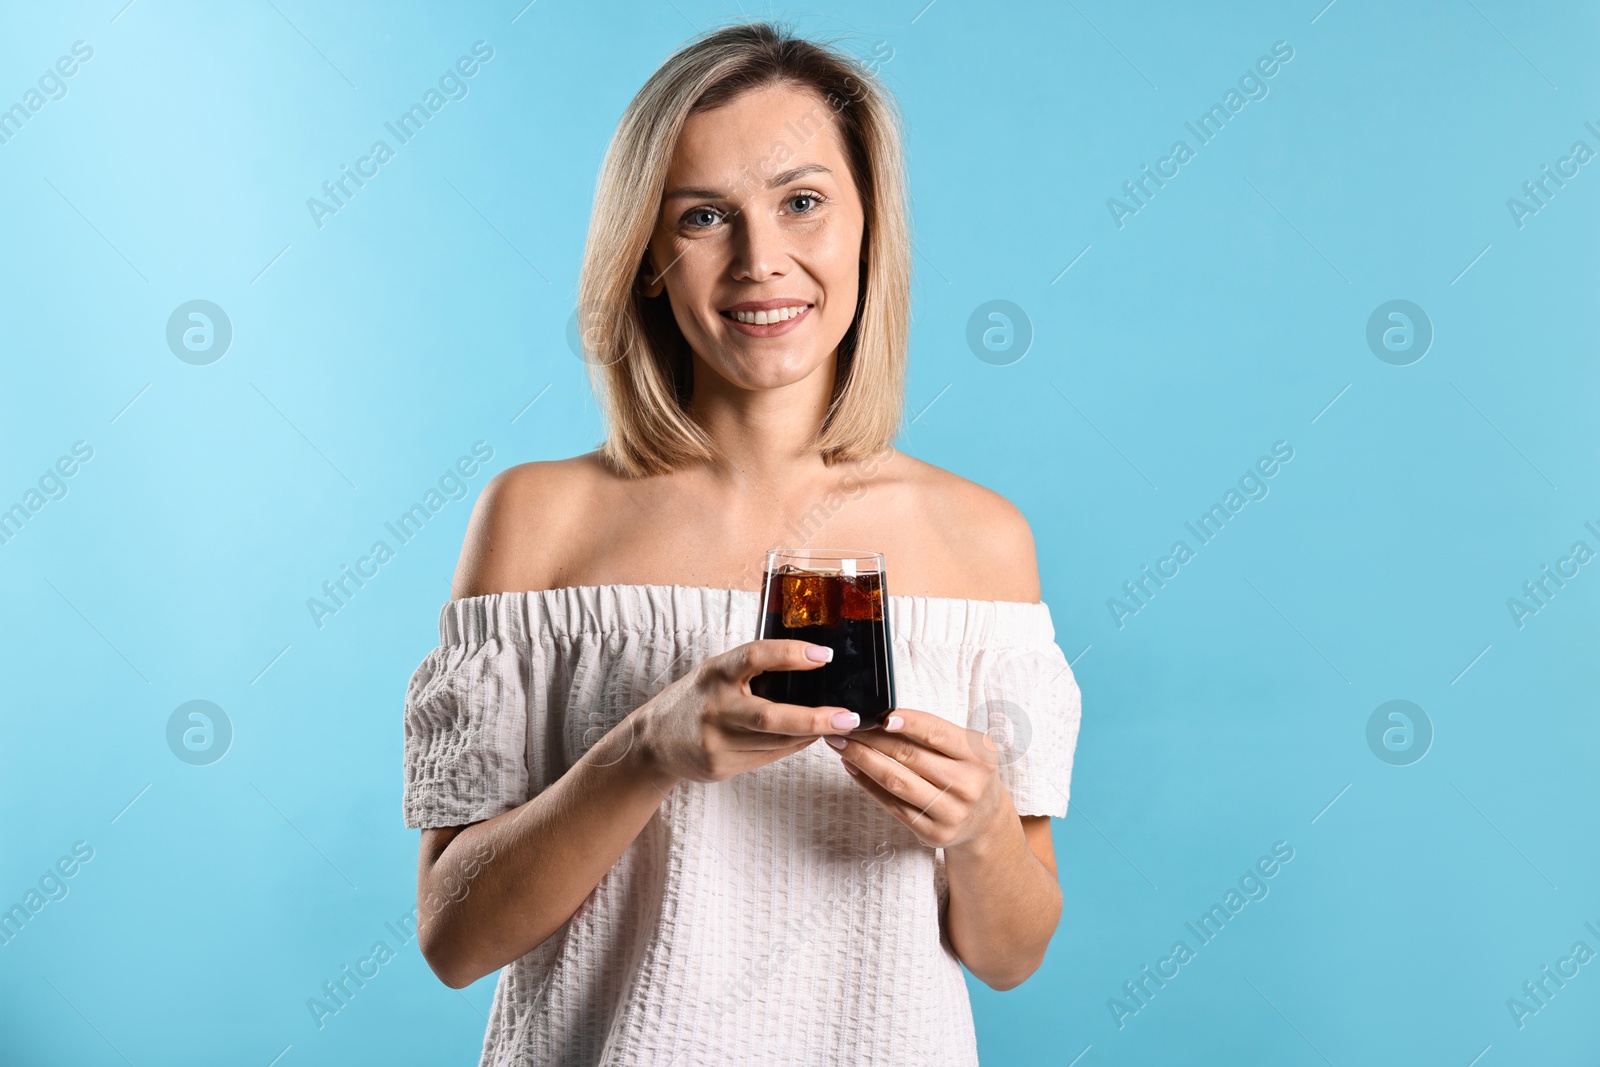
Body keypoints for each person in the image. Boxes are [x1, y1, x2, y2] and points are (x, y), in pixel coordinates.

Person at [401, 20, 1083, 1066]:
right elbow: (455, 937)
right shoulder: (540, 517)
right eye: (704, 216)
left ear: (868, 227)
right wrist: (644, 751)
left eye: (802, 200)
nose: (762, 260)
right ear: (645, 259)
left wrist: (981, 822)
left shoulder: (978, 539)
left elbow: (1009, 952)